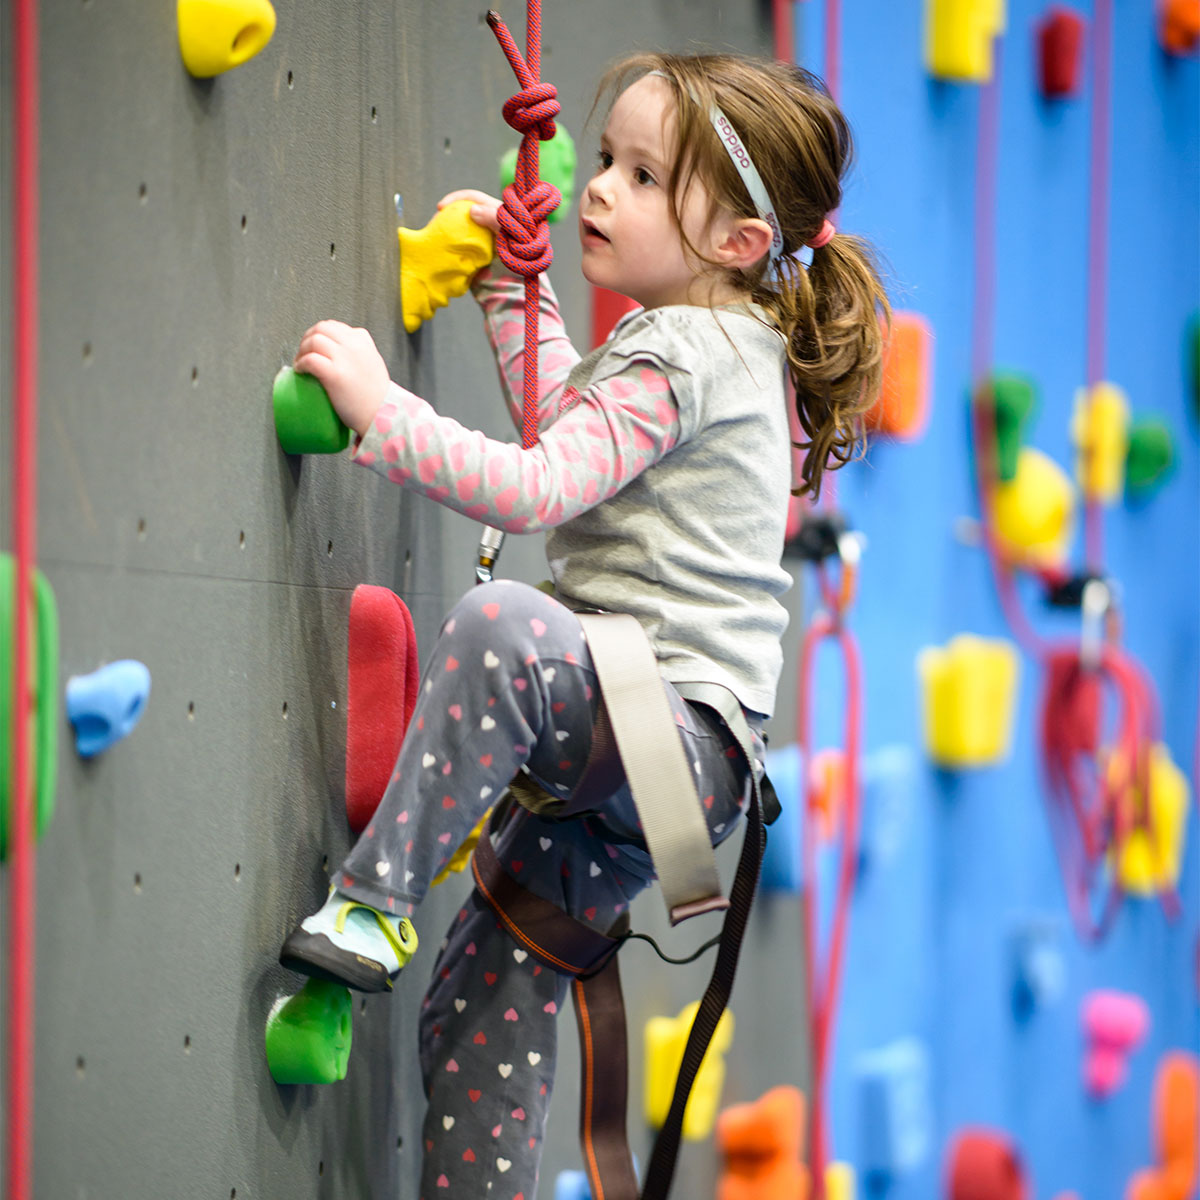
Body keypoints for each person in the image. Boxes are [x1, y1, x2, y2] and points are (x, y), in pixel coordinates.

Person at [280, 51, 888, 1199]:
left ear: (738, 243)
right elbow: (581, 431)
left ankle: (373, 906)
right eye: (606, 160)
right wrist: (518, 293)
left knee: (504, 626)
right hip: (666, 784)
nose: (601, 188)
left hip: (656, 730)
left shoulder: (684, 352)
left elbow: (536, 488)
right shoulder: (726, 349)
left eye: (646, 177)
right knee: (480, 1011)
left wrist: (378, 408)